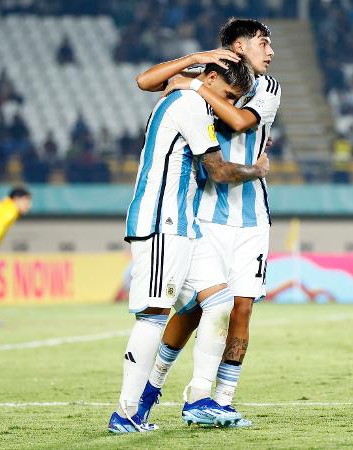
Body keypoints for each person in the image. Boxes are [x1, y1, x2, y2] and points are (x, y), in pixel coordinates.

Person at [108, 57, 270, 433]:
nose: (226, 104)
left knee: (219, 301)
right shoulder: (189, 104)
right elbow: (219, 171)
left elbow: (148, 80)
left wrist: (192, 75)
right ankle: (128, 412)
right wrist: (258, 170)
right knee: (153, 314)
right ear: (211, 78)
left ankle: (199, 400)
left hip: (183, 224)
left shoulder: (192, 98)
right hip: (161, 221)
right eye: (228, 95)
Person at [0, 187, 32, 327]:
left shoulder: (2, 207)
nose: (28, 206)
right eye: (26, 201)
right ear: (16, 199)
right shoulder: (9, 211)